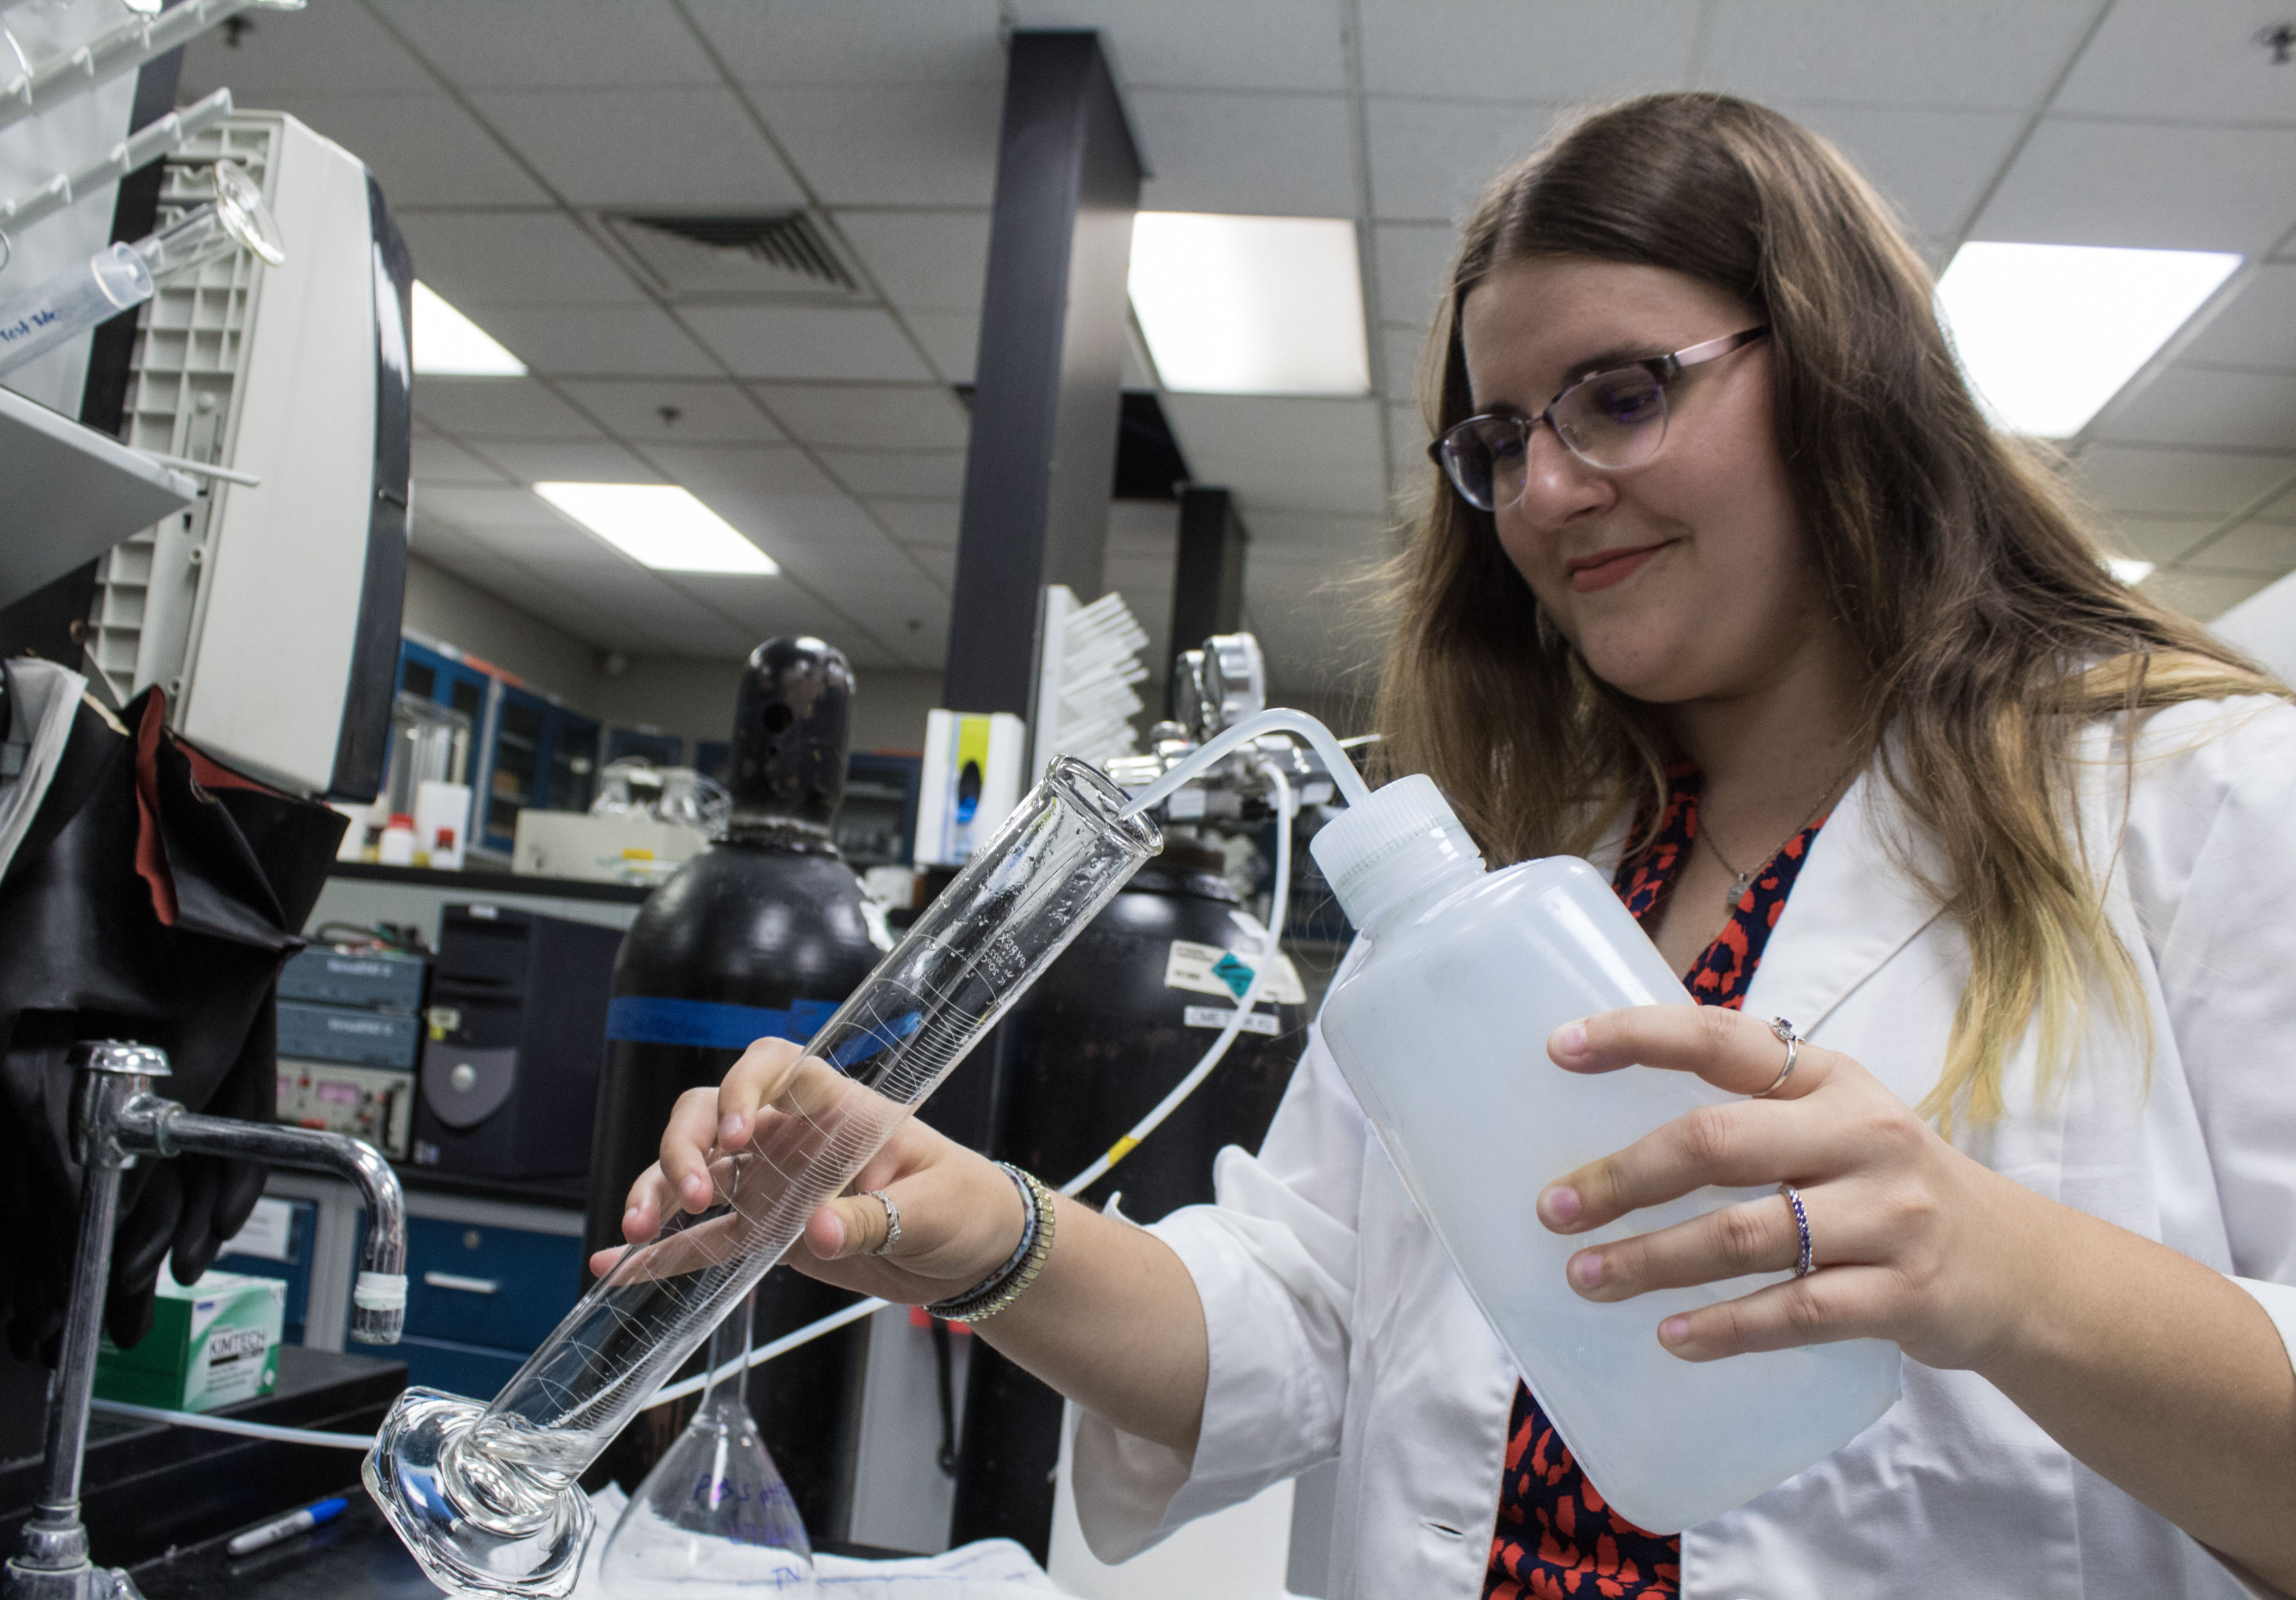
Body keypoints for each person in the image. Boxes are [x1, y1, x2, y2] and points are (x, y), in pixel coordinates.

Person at [603, 94, 2296, 1599]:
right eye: (1500, 443)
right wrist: (985, 1231)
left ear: (1851, 380)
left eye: (1621, 398)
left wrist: (1997, 1268)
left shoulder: (2201, 801)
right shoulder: (1533, 888)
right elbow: (1294, 1326)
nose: (1546, 494)